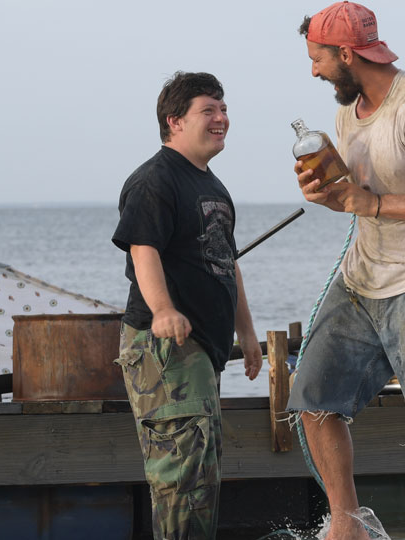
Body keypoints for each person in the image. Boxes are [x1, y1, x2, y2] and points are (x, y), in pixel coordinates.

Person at [286, 3, 405, 539]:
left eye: (318, 59)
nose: (314, 71)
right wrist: (329, 196)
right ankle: (349, 526)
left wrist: (369, 205)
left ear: (346, 54)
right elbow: (354, 195)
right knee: (312, 398)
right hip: (360, 277)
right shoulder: (349, 111)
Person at [111, 71, 262, 540]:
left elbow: (227, 264)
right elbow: (143, 249)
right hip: (165, 351)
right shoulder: (155, 180)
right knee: (181, 477)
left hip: (201, 352)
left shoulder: (213, 187)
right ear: (174, 121)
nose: (221, 118)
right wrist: (162, 310)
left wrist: (248, 334)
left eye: (223, 109)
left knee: (203, 472)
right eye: (208, 110)